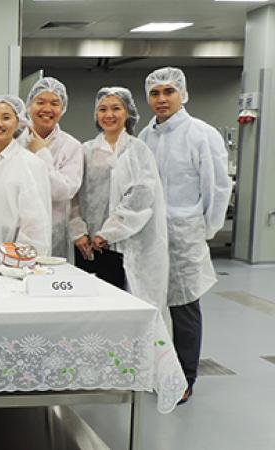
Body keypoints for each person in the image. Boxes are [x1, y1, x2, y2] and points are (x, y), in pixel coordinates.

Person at [139, 67, 232, 404]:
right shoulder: (145, 136)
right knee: (152, 304)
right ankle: (158, 370)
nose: (161, 99)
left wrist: (203, 229)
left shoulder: (201, 134)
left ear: (182, 94)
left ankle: (185, 378)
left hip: (184, 234)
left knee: (184, 308)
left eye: (168, 91)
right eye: (154, 93)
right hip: (150, 235)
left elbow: (217, 187)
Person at [69, 87, 168, 312]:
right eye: (102, 109)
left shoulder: (138, 151)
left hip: (126, 243)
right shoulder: (86, 151)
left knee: (122, 306)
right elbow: (74, 195)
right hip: (88, 246)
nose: (109, 115)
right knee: (89, 307)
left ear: (128, 113)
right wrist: (78, 231)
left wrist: (109, 233)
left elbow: (142, 194)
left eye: (116, 108)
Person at [0, 95, 52, 259]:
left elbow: (36, 223)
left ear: (18, 122)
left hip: (15, 256)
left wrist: (20, 259)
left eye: (6, 118)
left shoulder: (30, 164)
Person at [18, 77, 83, 260]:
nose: (47, 109)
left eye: (54, 103)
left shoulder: (71, 146)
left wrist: (42, 154)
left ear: (62, 109)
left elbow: (63, 190)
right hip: (15, 229)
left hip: (53, 232)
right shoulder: (15, 141)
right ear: (29, 106)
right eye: (40, 102)